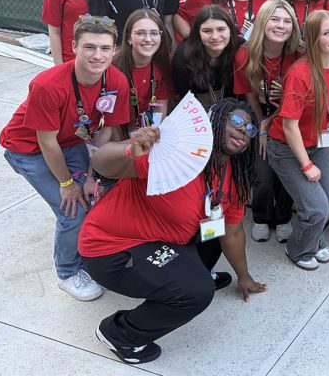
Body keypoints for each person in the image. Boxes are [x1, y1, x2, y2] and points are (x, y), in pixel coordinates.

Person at [81, 98, 268, 364]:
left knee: (214, 231)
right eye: (236, 121)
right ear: (213, 120)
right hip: (112, 247)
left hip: (163, 236)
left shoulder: (232, 175)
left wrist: (244, 277)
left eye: (249, 129)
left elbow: (232, 233)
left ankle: (186, 275)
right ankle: (121, 333)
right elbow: (101, 163)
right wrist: (130, 149)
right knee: (197, 292)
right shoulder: (172, 153)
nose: (243, 130)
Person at [1, 15, 130, 301]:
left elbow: (105, 131)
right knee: (72, 210)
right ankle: (67, 271)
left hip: (71, 141)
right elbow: (46, 141)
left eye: (105, 48)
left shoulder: (116, 80)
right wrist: (67, 183)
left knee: (95, 195)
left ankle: (87, 251)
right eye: (89, 47)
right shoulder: (48, 84)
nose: (98, 56)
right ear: (73, 46)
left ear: (114, 50)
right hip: (28, 149)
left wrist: (93, 176)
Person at [266, 10, 329, 271]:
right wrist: (306, 165)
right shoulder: (300, 73)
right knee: (316, 209)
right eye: (327, 33)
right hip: (288, 148)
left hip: (317, 142)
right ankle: (298, 248)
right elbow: (289, 126)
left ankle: (314, 237)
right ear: (313, 39)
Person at [233, 0, 300, 243]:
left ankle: (283, 217)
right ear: (262, 22)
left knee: (287, 170)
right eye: (274, 19)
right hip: (257, 116)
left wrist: (274, 119)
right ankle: (260, 217)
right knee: (262, 172)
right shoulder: (244, 53)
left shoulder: (299, 53)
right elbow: (249, 95)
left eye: (286, 21)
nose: (281, 26)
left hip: (289, 117)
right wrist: (262, 125)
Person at [113, 9, 173, 136]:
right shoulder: (112, 67)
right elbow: (109, 121)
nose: (148, 39)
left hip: (146, 133)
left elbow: (160, 109)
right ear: (129, 38)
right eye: (140, 33)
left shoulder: (162, 65)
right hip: (117, 135)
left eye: (154, 33)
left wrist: (152, 135)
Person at [172, 5, 243, 109]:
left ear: (231, 31)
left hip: (235, 106)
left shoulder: (241, 49)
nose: (215, 36)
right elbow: (183, 101)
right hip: (196, 110)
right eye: (207, 31)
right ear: (197, 33)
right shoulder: (183, 57)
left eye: (221, 29)